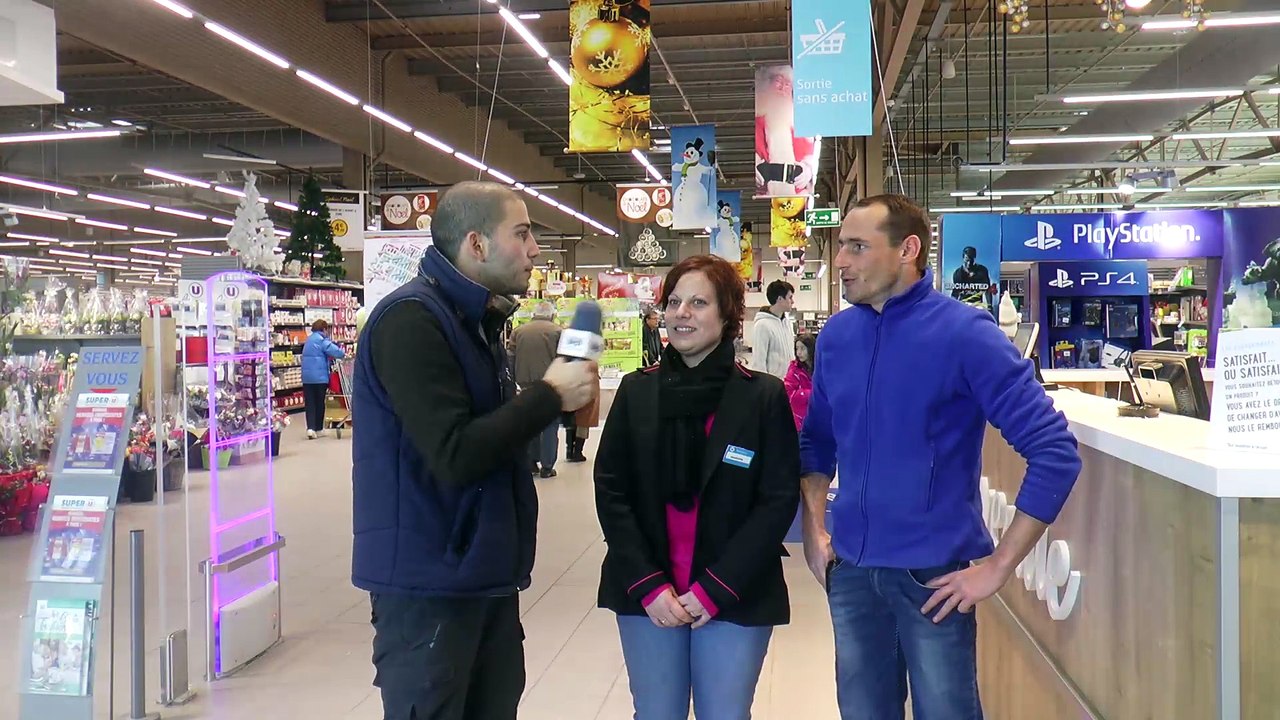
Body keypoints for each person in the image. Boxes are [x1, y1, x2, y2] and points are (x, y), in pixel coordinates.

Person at [799, 194, 1082, 720]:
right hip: (854, 572)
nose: (841, 261)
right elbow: (816, 442)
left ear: (907, 250)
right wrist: (815, 529)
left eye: (857, 247)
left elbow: (1055, 453)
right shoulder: (838, 337)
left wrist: (998, 567)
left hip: (933, 580)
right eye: (842, 246)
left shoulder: (965, 335)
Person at [351, 181, 599, 720]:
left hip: (479, 572)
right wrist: (549, 395)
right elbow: (454, 451)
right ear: (476, 244)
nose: (536, 249)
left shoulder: (476, 324)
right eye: (523, 233)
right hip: (429, 585)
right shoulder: (411, 321)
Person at [595, 254, 800, 720]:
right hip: (649, 589)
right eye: (674, 302)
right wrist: (648, 585)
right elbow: (611, 490)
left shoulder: (761, 396)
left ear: (728, 314)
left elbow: (777, 499)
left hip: (734, 587)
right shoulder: (636, 391)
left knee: (724, 713)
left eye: (699, 302)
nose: (681, 313)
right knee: (656, 712)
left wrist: (716, 588)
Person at [510, 301, 562, 478]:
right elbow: (564, 359)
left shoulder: (519, 331)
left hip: (525, 383)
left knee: (529, 423)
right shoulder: (557, 331)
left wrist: (514, 378)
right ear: (551, 314)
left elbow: (510, 357)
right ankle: (547, 466)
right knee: (549, 425)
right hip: (550, 384)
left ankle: (531, 461)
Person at [754, 65, 818, 197]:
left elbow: (810, 152)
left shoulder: (799, 123)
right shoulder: (758, 121)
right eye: (778, 82)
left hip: (797, 193)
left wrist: (808, 169)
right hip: (766, 190)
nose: (783, 88)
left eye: (787, 84)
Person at [301, 319, 346, 439]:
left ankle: (310, 429)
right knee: (319, 403)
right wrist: (343, 354)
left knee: (310, 403)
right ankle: (319, 428)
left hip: (307, 378)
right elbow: (336, 351)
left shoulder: (308, 340)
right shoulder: (322, 340)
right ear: (324, 329)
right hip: (319, 378)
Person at [750, 279, 795, 378]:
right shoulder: (762, 325)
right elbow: (758, 364)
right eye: (790, 297)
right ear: (780, 299)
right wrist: (765, 390)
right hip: (773, 387)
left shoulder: (787, 323)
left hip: (790, 383)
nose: (793, 301)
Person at [784, 334, 816, 431]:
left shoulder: (820, 368)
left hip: (819, 419)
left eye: (802, 348)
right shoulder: (794, 370)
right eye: (797, 348)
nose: (799, 353)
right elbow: (789, 394)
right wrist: (810, 394)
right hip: (801, 423)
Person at [950, 246, 994, 310]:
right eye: (967, 260)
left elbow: (987, 291)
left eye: (971, 260)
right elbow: (955, 293)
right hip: (963, 305)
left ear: (974, 258)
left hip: (978, 305)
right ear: (963, 258)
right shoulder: (958, 273)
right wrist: (951, 308)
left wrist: (989, 306)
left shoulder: (982, 271)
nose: (969, 263)